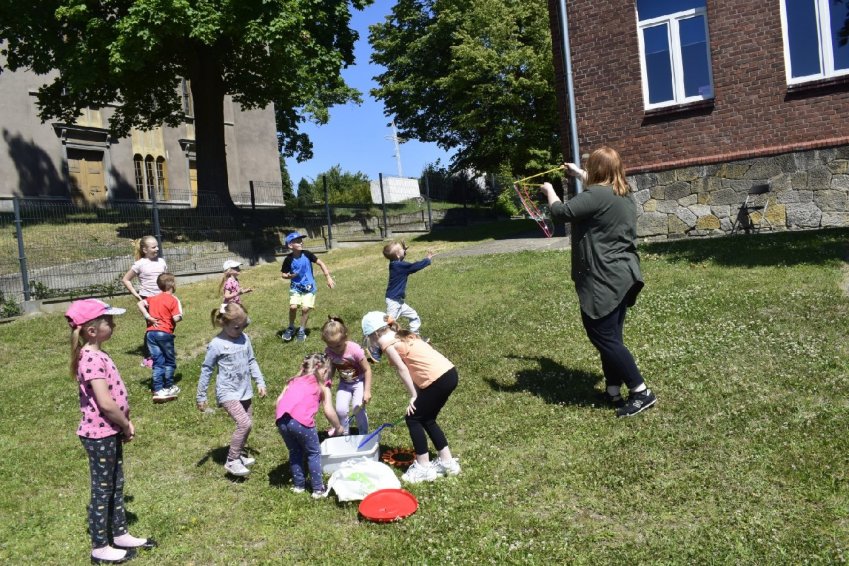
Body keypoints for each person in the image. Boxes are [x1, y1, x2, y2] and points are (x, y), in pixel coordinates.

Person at [539, 146, 657, 418]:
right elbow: (597, 189)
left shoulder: (596, 195)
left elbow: (561, 212)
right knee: (612, 336)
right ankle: (613, 390)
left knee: (602, 336)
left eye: (589, 166)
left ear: (596, 169)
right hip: (624, 274)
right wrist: (577, 173)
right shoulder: (623, 192)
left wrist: (550, 191)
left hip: (604, 277)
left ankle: (641, 391)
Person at [65, 299, 157, 564]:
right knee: (102, 490)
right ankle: (100, 547)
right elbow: (105, 403)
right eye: (109, 321)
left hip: (110, 430)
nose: (114, 325)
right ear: (92, 330)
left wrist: (123, 424)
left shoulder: (98, 354)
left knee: (116, 484)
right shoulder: (91, 359)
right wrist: (125, 424)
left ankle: (119, 533)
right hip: (100, 434)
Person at [361, 311, 461, 484]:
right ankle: (447, 462)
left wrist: (414, 396)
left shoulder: (386, 342)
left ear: (375, 334)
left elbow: (403, 369)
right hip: (449, 374)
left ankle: (423, 468)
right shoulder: (400, 334)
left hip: (437, 379)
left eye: (369, 337)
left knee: (413, 418)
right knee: (427, 418)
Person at [197, 303, 267, 477]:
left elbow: (251, 361)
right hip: (227, 392)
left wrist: (260, 382)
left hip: (245, 390)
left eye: (244, 326)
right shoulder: (217, 344)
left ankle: (239, 453)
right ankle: (232, 460)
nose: (241, 330)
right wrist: (201, 396)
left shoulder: (244, 338)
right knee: (244, 423)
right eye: (237, 327)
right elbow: (207, 369)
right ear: (223, 323)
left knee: (247, 424)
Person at [275, 353, 344, 498]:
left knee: (295, 451)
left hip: (281, 420)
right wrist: (338, 427)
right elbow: (328, 410)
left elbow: (279, 400)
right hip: (301, 422)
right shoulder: (322, 386)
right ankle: (318, 489)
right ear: (324, 371)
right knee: (314, 453)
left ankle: (298, 485)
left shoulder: (293, 381)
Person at [320, 316, 372, 435]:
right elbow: (332, 366)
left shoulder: (355, 350)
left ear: (345, 337)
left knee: (358, 408)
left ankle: (363, 434)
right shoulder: (329, 351)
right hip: (344, 383)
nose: (335, 350)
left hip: (359, 382)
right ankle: (344, 433)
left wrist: (367, 391)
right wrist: (327, 381)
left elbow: (367, 370)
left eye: (338, 346)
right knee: (340, 410)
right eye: (331, 346)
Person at [137, 273, 184, 403]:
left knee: (158, 362)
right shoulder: (173, 299)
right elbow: (176, 318)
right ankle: (168, 386)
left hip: (150, 333)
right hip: (164, 333)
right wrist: (180, 315)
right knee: (169, 361)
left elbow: (140, 303)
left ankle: (158, 389)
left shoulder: (153, 298)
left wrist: (148, 316)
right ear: (173, 285)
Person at [280, 231, 335, 342]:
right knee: (293, 307)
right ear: (290, 245)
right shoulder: (288, 259)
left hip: (309, 288)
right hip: (295, 287)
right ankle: (291, 327)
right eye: (297, 241)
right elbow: (283, 274)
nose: (301, 242)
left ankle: (301, 330)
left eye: (301, 240)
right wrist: (288, 276)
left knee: (305, 309)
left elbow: (321, 263)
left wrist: (328, 277)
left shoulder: (307, 254)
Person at [121, 235, 167, 369]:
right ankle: (149, 356)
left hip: (162, 298)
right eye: (153, 247)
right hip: (148, 299)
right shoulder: (140, 264)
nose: (157, 249)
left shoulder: (162, 262)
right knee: (152, 326)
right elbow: (126, 279)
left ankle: (161, 352)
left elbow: (166, 279)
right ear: (145, 250)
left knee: (164, 325)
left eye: (157, 246)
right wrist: (136, 294)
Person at [383, 240, 434, 338]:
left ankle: (415, 337)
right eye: (401, 249)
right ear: (398, 255)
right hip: (394, 301)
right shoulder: (400, 266)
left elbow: (399, 259)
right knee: (389, 323)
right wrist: (427, 260)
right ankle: (382, 338)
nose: (403, 250)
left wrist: (403, 251)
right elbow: (414, 267)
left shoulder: (394, 263)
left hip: (398, 300)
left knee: (414, 316)